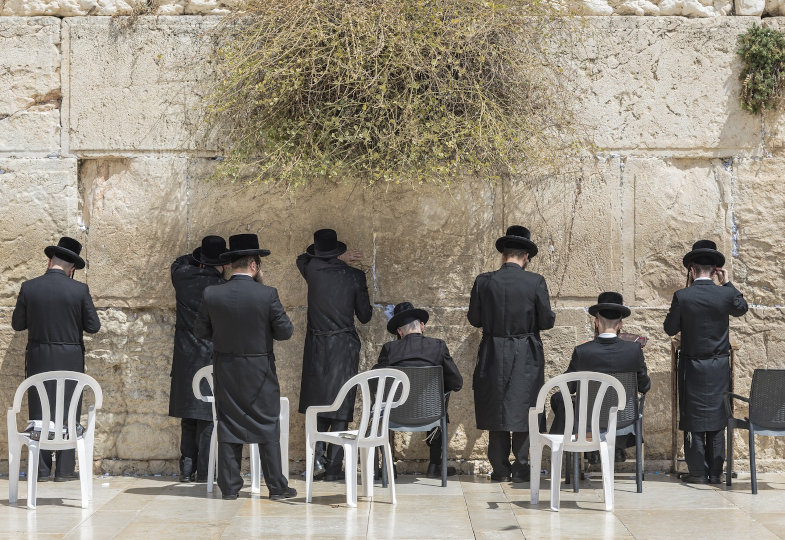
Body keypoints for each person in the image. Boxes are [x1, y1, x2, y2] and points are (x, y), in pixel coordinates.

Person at [194, 234, 296, 500]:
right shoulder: (267, 294)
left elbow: (201, 330)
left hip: (226, 368)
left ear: (229, 265)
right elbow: (285, 332)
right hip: (260, 370)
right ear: (253, 265)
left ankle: (229, 488)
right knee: (267, 423)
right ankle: (276, 487)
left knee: (228, 423)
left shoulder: (212, 293)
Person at [468, 225, 555, 482]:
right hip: (526, 352)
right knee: (526, 406)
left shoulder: (484, 281)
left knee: (497, 407)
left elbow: (474, 319)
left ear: (503, 254)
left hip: (493, 350)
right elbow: (547, 321)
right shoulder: (535, 281)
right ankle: (522, 467)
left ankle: (500, 469)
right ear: (526, 256)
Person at [11, 236, 101, 482]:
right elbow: (93, 326)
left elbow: (17, 324)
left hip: (39, 357)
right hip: (71, 358)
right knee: (68, 412)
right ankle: (63, 471)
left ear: (50, 261)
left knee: (40, 411)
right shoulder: (79, 290)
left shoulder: (30, 287)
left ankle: (40, 471)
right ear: (72, 269)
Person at [664, 239, 748, 485]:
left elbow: (670, 328)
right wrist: (728, 282)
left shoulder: (683, 296)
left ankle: (698, 472)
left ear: (691, 270)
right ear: (715, 270)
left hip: (692, 367)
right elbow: (741, 308)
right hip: (719, 366)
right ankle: (716, 472)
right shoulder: (725, 293)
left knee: (694, 416)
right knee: (717, 417)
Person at [296, 229, 372, 481]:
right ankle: (333, 468)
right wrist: (344, 263)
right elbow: (365, 315)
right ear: (340, 253)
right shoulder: (355, 276)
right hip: (343, 345)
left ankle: (317, 457)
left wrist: (332, 258)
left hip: (317, 344)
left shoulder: (313, 271)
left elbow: (301, 258)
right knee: (341, 405)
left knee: (318, 402)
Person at [550, 292, 651, 463]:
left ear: (596, 322)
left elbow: (569, 388)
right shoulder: (633, 350)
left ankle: (582, 447)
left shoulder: (582, 352)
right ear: (620, 324)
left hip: (589, 420)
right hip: (623, 421)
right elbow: (644, 386)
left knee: (559, 399)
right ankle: (616, 447)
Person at [371, 302, 463, 478]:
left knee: (378, 407)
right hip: (431, 414)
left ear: (399, 331)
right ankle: (435, 465)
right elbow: (457, 383)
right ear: (421, 326)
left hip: (396, 415)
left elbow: (375, 383)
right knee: (441, 400)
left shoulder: (390, 349)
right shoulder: (438, 346)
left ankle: (385, 468)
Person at [168, 235, 227, 482]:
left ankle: (186, 467)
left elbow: (178, 263)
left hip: (184, 353)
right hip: (209, 352)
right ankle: (204, 471)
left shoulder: (182, 277)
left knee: (188, 413)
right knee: (207, 414)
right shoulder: (221, 287)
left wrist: (196, 259)